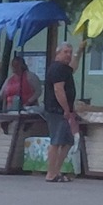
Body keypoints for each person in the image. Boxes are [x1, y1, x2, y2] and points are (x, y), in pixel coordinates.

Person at [41, 41, 80, 182]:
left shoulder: (64, 69)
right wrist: (66, 109)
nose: (68, 55)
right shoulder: (57, 68)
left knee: (68, 141)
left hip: (62, 110)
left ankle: (56, 171)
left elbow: (73, 67)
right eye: (66, 52)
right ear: (58, 53)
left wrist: (79, 52)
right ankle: (50, 174)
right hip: (56, 110)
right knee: (56, 141)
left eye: (70, 52)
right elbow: (59, 90)